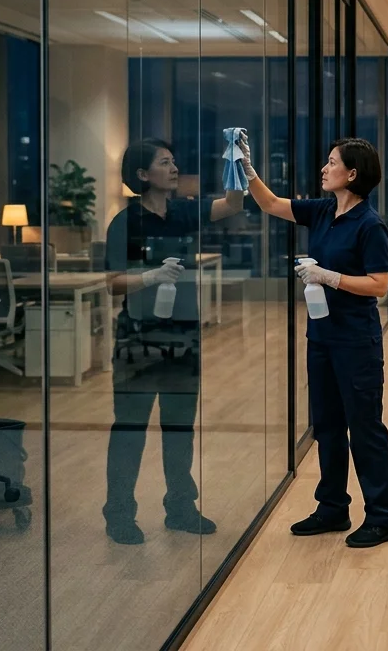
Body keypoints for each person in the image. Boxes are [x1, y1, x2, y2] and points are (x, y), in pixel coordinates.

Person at [236, 132, 388, 549]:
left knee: (365, 428)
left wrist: (329, 277)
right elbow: (272, 204)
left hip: (356, 342)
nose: (324, 169)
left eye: (331, 163)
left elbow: (379, 284)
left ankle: (382, 518)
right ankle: (332, 508)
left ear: (352, 173)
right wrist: (248, 170)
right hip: (322, 337)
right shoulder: (324, 211)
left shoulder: (370, 225)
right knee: (327, 425)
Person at [101, 139, 244, 545]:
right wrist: (149, 277)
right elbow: (113, 284)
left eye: (174, 160)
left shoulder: (184, 211)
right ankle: (120, 514)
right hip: (138, 337)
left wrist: (234, 160)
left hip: (183, 335)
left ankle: (180, 507)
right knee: (130, 428)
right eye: (165, 162)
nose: (175, 167)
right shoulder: (124, 222)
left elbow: (232, 204)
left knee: (179, 428)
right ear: (143, 175)